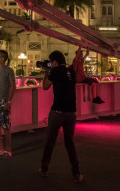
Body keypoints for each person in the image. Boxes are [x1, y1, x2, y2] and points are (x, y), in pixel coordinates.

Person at [39, 50, 83, 183]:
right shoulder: (71, 72)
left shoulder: (55, 71)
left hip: (58, 112)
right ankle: (76, 173)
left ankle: (44, 169)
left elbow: (45, 86)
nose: (50, 64)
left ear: (55, 62)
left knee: (50, 142)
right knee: (69, 143)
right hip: (71, 113)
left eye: (51, 62)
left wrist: (47, 71)